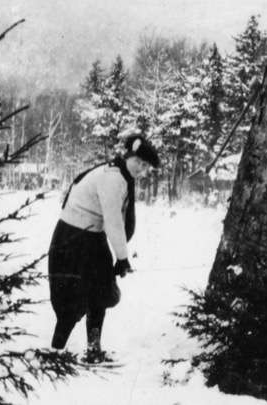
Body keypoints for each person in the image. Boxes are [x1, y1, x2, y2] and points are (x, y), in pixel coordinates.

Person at [48, 135, 160, 363]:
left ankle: (93, 349)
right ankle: (55, 351)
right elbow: (113, 221)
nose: (141, 168)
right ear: (128, 156)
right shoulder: (113, 178)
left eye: (145, 166)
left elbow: (116, 219)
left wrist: (120, 256)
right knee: (72, 295)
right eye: (139, 162)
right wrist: (122, 258)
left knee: (99, 291)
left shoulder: (120, 175)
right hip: (74, 238)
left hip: (91, 237)